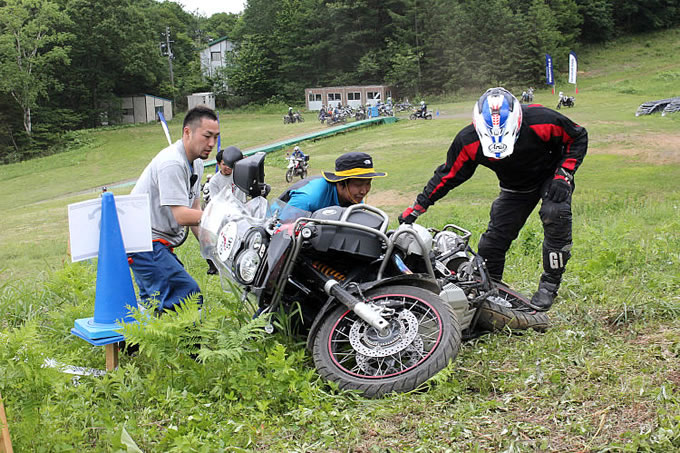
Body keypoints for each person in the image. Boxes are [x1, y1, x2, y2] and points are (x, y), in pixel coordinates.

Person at [399, 87, 588, 311]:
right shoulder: (468, 140)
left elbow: (578, 136)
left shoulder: (542, 119)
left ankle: (549, 284)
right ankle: (490, 290)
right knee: (491, 242)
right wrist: (418, 208)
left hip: (551, 177)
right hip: (515, 187)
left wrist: (564, 174)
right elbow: (448, 175)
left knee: (554, 214)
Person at [128, 105, 219, 312]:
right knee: (186, 296)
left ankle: (142, 343)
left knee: (153, 306)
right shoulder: (172, 163)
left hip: (155, 243)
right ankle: (191, 345)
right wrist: (223, 218)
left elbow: (194, 209)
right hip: (144, 243)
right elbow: (182, 216)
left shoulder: (196, 164)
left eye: (215, 137)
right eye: (207, 136)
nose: (212, 143)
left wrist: (211, 251)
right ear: (188, 132)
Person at [279, 151, 387, 212]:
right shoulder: (309, 198)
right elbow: (282, 232)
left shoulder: (354, 199)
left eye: (368, 183)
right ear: (340, 183)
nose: (364, 191)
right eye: (358, 184)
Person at [203, 146, 246, 275]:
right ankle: (216, 264)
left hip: (240, 212)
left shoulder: (238, 175)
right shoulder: (214, 182)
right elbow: (217, 202)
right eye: (224, 164)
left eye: (230, 165)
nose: (227, 168)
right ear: (218, 164)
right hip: (224, 215)